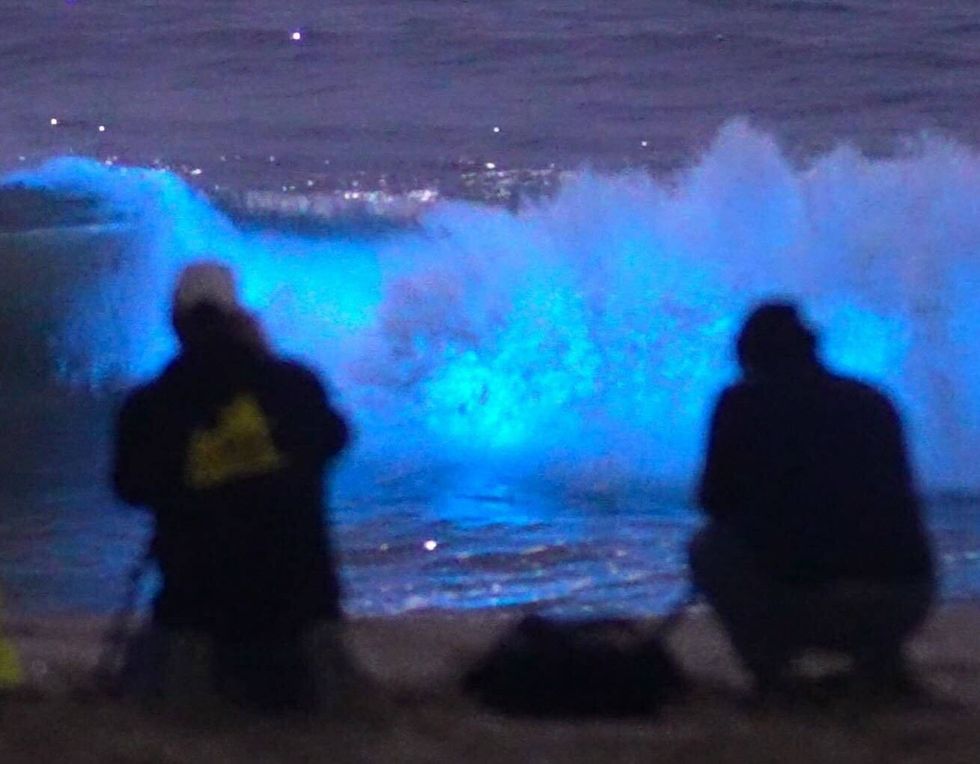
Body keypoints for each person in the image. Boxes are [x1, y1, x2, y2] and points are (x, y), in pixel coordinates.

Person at [112, 261, 351, 712]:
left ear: (175, 323)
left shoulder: (150, 406)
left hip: (196, 622)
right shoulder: (295, 386)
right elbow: (334, 440)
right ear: (240, 317)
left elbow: (129, 488)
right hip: (303, 618)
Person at [691, 301, 935, 701]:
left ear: (748, 353)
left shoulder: (741, 402)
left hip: (810, 604)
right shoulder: (871, 399)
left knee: (709, 547)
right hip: (906, 600)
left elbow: (712, 501)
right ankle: (880, 661)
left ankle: (772, 675)